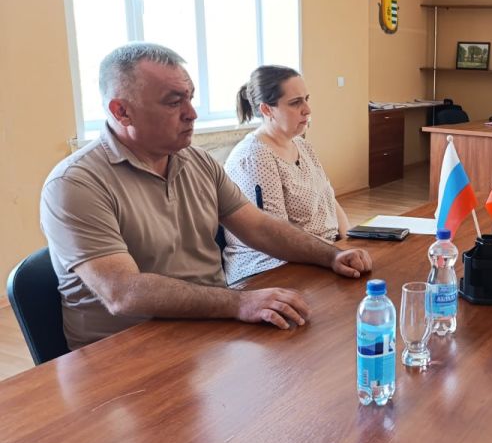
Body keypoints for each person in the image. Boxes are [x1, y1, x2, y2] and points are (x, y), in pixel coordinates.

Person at [40, 43, 373, 350]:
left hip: (208, 331)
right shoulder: (75, 184)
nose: (192, 113)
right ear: (122, 111)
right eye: (174, 102)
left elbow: (259, 227)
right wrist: (240, 302)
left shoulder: (197, 161)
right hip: (125, 353)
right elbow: (122, 292)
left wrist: (331, 256)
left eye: (190, 98)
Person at [223, 66, 350, 284]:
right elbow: (277, 238)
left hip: (321, 255)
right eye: (295, 103)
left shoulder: (302, 145)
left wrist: (349, 242)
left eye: (306, 99)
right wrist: (334, 254)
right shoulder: (255, 156)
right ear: (267, 109)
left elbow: (330, 199)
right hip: (270, 269)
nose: (307, 110)